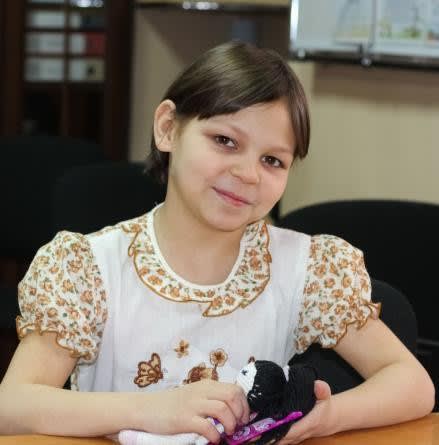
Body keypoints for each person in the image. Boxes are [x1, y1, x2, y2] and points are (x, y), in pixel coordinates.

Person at [0, 41, 434, 444]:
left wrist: (325, 417)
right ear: (168, 128)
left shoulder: (306, 268)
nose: (248, 174)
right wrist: (150, 410)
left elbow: (412, 384)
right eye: (225, 141)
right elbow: (11, 406)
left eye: (272, 160)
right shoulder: (90, 267)